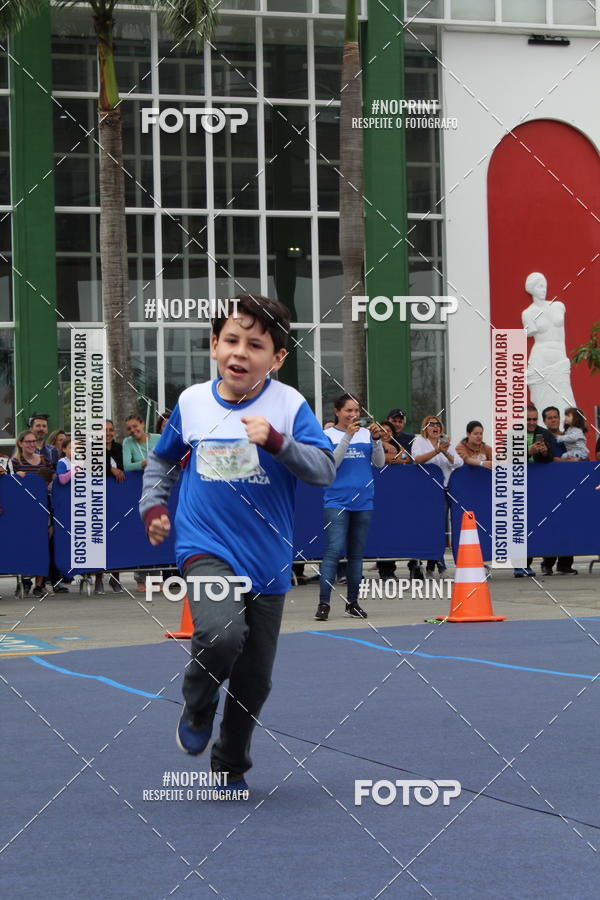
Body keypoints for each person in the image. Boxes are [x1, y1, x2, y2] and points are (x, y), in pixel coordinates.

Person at [139, 295, 334, 793]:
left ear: (278, 358)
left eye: (255, 344)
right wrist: (154, 507)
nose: (240, 353)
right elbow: (163, 461)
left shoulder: (289, 406)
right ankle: (197, 705)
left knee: (254, 681)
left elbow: (324, 469)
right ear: (213, 346)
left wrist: (277, 442)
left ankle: (230, 762)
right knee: (221, 635)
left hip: (267, 560)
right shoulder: (193, 403)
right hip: (205, 546)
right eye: (231, 340)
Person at [314, 395, 385, 622]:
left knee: (357, 555)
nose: (353, 414)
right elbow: (331, 463)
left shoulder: (366, 434)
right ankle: (324, 603)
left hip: (364, 501)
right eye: (348, 410)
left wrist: (377, 440)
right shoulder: (327, 435)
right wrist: (347, 436)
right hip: (336, 501)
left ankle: (352, 603)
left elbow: (379, 463)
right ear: (337, 411)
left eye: (356, 410)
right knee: (334, 551)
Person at [412, 415, 463, 576]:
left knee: (441, 526)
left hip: (444, 488)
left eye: (438, 425)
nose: (435, 427)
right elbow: (417, 459)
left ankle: (435, 563)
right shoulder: (419, 441)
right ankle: (426, 561)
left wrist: (445, 451)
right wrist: (436, 451)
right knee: (428, 526)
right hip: (426, 490)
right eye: (431, 424)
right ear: (425, 427)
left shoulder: (446, 443)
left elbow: (458, 462)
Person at [522, 272, 575, 415]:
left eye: (545, 286)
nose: (544, 289)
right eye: (540, 286)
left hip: (559, 357)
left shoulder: (558, 306)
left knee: (566, 399)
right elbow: (530, 332)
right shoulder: (528, 313)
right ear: (532, 289)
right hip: (541, 357)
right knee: (542, 399)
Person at [12, 430, 54, 597]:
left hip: (43, 510)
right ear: (21, 443)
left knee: (43, 547)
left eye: (33, 441)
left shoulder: (44, 460)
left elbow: (53, 479)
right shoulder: (15, 462)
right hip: (22, 512)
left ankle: (40, 585)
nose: (30, 444)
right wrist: (16, 476)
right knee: (24, 547)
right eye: (27, 441)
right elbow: (9, 483)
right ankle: (24, 581)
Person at [123, 415, 160, 591]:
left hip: (158, 488)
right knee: (139, 531)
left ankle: (157, 577)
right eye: (129, 428)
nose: (132, 431)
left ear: (143, 424)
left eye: (135, 426)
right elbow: (126, 465)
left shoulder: (158, 439)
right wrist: (143, 463)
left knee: (157, 529)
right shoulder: (127, 443)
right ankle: (141, 579)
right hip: (138, 490)